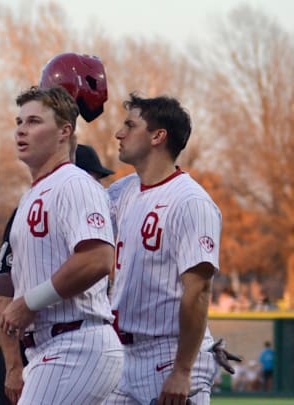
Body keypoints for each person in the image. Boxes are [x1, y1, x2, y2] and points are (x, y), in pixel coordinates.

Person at [0, 86, 123, 404]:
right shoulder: (33, 194)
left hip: (76, 343)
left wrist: (28, 303)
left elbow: (97, 259)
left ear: (65, 131)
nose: (22, 129)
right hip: (52, 345)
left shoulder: (76, 184)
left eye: (35, 121)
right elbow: (21, 282)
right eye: (19, 121)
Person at [105, 93, 221, 405]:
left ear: (158, 136)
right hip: (123, 354)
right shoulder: (121, 192)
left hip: (170, 353)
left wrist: (183, 370)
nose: (119, 133)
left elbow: (198, 290)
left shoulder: (191, 202)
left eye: (130, 125)